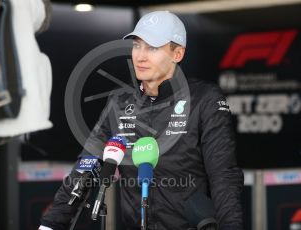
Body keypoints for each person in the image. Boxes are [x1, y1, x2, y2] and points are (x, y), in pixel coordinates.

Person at [40, 11, 244, 230]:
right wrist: (51, 225)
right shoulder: (119, 102)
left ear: (178, 54)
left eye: (153, 47)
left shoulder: (205, 99)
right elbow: (85, 167)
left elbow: (224, 176)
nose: (140, 56)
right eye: (137, 45)